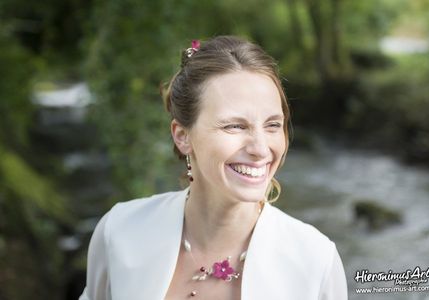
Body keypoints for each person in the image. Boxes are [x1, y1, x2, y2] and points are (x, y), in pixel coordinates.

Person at [79, 35, 348, 300]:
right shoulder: (120, 232)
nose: (261, 149)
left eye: (272, 125)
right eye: (234, 126)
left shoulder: (315, 260)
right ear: (182, 136)